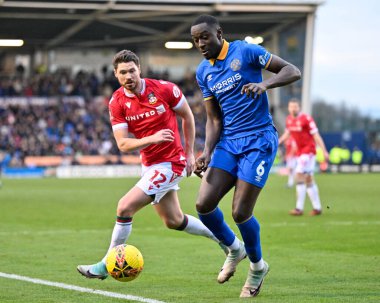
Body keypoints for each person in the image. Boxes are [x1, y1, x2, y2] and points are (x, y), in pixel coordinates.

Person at [77, 50, 227, 280]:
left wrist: (189, 153)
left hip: (172, 162)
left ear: (140, 70)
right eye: (123, 72)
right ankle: (226, 240)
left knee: (124, 207)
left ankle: (105, 266)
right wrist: (152, 138)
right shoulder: (116, 102)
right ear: (116, 75)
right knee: (173, 220)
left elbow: (187, 116)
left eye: (132, 71)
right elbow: (123, 144)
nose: (129, 76)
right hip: (150, 164)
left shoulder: (165, 89)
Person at [190, 15, 301, 298]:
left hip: (259, 139)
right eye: (195, 40)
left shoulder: (246, 51)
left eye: (204, 37)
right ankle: (234, 249)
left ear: (219, 33)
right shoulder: (204, 72)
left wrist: (265, 85)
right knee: (203, 205)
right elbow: (214, 119)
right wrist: (206, 152)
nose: (200, 43)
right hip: (228, 142)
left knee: (240, 212)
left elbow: (292, 70)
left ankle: (257, 267)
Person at [279, 98, 329, 216]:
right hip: (300, 153)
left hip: (309, 152)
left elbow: (316, 136)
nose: (293, 109)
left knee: (299, 174)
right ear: (288, 108)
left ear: (299, 107)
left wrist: (324, 150)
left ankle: (298, 208)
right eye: (291, 106)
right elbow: (288, 133)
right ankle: (317, 208)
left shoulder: (306, 119)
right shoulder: (289, 119)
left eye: (295, 106)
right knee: (308, 178)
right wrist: (278, 141)